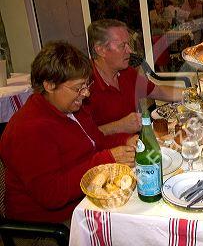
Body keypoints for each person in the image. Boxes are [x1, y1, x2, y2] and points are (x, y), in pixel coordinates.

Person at [0, 42, 137, 223]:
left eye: (87, 84)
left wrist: (126, 140)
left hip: (85, 199)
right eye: (78, 88)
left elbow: (96, 142)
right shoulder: (29, 130)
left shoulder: (71, 108)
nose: (86, 93)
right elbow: (51, 195)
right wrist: (107, 159)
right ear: (49, 85)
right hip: (50, 224)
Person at [85, 19, 184, 135]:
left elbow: (159, 91)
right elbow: (82, 139)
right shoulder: (82, 85)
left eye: (129, 44)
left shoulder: (127, 72)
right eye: (122, 46)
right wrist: (118, 127)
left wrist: (194, 93)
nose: (130, 51)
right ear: (100, 50)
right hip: (110, 152)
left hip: (136, 144)